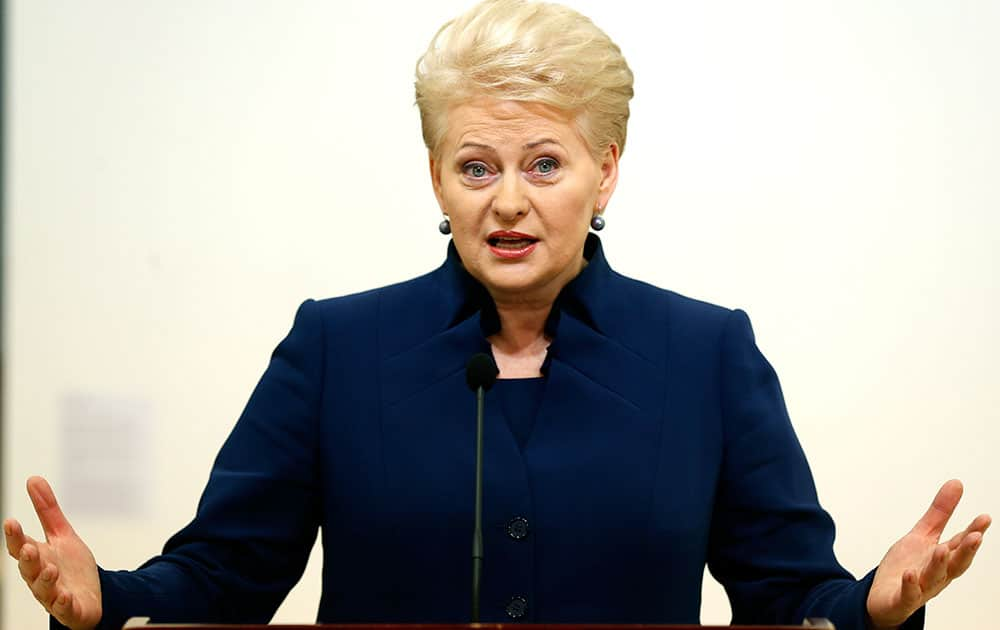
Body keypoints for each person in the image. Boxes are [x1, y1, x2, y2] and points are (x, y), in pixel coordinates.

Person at [3, 1, 990, 629]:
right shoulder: (338, 348)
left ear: (606, 171)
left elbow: (786, 596)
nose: (506, 200)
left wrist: (871, 603)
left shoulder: (704, 354)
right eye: (475, 166)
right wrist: (107, 602)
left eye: (544, 163)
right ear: (436, 174)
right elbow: (223, 579)